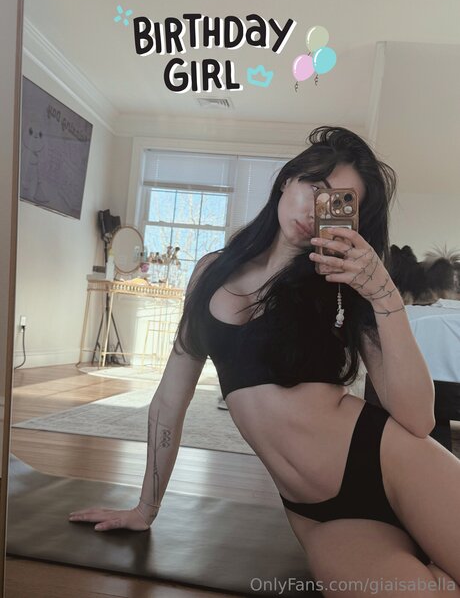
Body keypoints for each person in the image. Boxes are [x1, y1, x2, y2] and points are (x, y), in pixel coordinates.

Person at [69, 127, 460, 594]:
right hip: (321, 516)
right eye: (315, 187)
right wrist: (145, 508)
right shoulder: (210, 272)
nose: (315, 209)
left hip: (390, 460)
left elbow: (418, 419)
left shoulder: (343, 284)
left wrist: (384, 295)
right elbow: (170, 400)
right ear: (288, 179)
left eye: (337, 202)